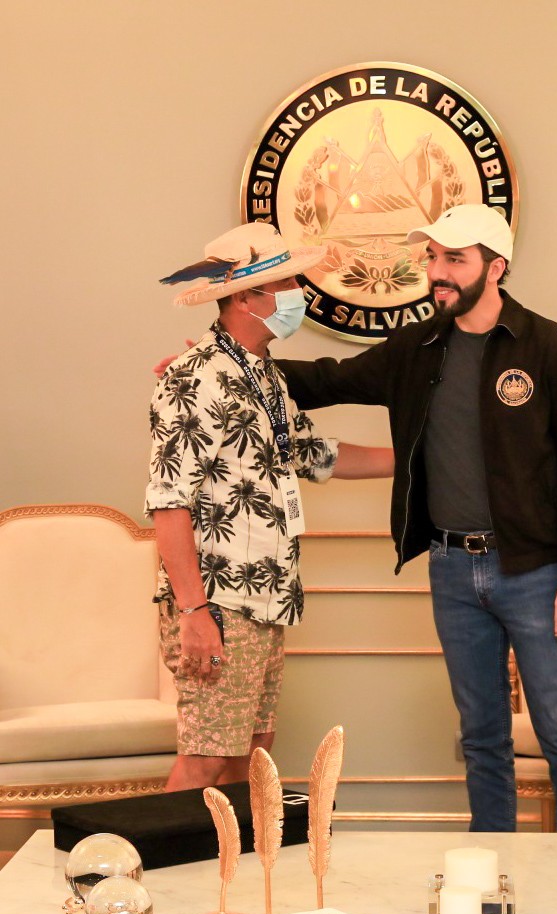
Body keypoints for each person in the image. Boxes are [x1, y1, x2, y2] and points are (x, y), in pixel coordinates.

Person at [276, 203, 557, 914]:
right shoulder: (418, 348)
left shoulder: (551, 349)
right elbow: (327, 380)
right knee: (482, 736)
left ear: (496, 267)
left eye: (454, 260)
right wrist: (234, 366)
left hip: (535, 571)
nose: (436, 273)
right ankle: (491, 887)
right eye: (432, 259)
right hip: (451, 567)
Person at [146, 221, 392, 794]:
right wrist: (194, 613)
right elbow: (168, 503)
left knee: (250, 755)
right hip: (218, 600)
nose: (297, 294)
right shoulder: (194, 377)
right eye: (285, 284)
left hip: (266, 597)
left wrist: (420, 459)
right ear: (244, 297)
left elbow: (312, 453)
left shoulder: (265, 377)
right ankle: (147, 856)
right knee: (207, 756)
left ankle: (235, 857)